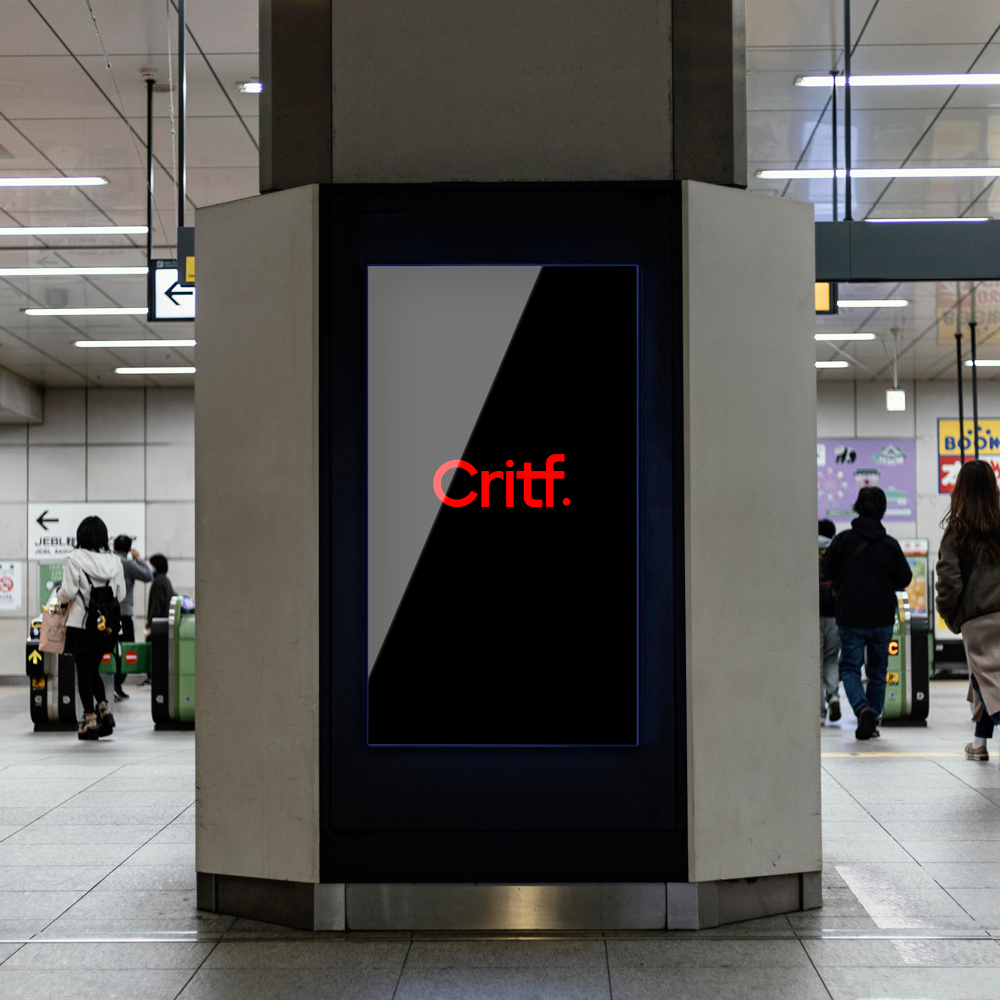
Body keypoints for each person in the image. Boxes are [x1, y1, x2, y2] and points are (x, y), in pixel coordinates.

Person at [821, 487, 912, 740]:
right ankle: (872, 721)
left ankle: (863, 710)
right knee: (877, 671)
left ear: (857, 508)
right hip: (882, 617)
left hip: (850, 616)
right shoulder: (890, 545)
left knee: (850, 668)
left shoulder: (844, 541)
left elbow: (827, 570)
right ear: (882, 511)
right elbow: (904, 578)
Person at [935, 460, 1000, 762]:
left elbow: (949, 580)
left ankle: (980, 743)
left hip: (977, 621)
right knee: (986, 681)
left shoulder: (957, 531)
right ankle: (979, 742)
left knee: (985, 679)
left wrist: (951, 616)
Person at [56, 516, 126, 740]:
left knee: (84, 672)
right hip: (106, 627)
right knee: (93, 669)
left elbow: (67, 592)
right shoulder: (114, 561)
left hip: (81, 625)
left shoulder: (74, 558)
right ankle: (104, 710)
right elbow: (121, 594)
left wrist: (60, 599)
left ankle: (90, 720)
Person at [111, 535, 153, 702]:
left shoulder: (108, 561)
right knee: (127, 649)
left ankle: (115, 685)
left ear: (113, 545)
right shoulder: (128, 564)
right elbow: (148, 576)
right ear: (129, 549)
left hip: (108, 615)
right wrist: (138, 559)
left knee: (110, 650)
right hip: (124, 614)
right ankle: (116, 683)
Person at [818, 519, 842, 724]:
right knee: (831, 659)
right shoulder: (836, 549)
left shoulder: (804, 548)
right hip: (834, 611)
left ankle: (819, 711)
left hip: (812, 612)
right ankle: (833, 695)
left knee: (814, 662)